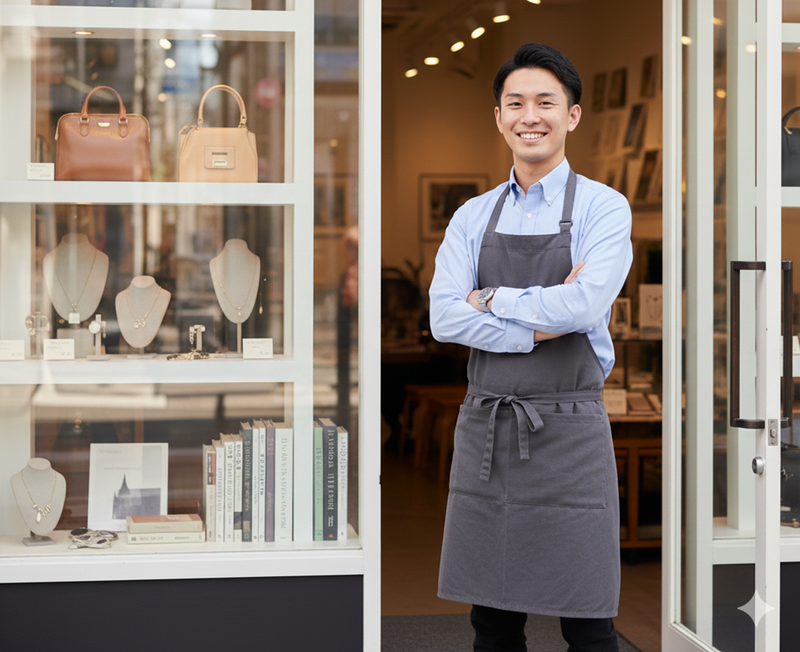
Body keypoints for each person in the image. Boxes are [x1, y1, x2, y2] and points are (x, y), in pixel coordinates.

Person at [428, 42, 633, 652]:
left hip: (571, 433)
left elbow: (584, 307)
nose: (530, 116)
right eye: (515, 103)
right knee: (491, 623)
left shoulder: (603, 207)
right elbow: (443, 318)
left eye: (546, 102)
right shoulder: (471, 215)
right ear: (499, 118)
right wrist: (539, 323)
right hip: (489, 429)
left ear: (572, 115)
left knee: (589, 623)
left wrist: (489, 298)